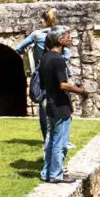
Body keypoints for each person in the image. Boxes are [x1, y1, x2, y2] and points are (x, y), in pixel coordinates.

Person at [39, 28, 86, 184]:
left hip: (50, 104)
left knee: (51, 140)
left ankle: (46, 172)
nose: (70, 38)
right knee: (60, 142)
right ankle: (56, 174)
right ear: (59, 40)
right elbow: (63, 85)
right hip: (60, 106)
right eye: (67, 36)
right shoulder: (58, 60)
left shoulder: (44, 57)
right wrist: (81, 91)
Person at [16, 8, 61, 139]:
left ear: (44, 20)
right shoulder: (60, 33)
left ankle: (47, 138)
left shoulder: (37, 35)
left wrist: (30, 55)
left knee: (43, 106)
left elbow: (18, 48)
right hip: (57, 72)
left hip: (41, 73)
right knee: (60, 103)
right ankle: (61, 137)